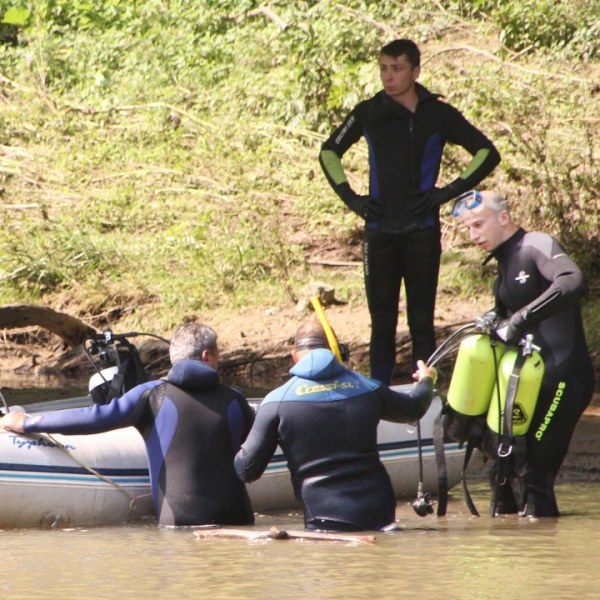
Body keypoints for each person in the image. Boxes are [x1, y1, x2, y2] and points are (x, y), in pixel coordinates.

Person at [319, 38, 500, 385]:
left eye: (397, 69)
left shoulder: (437, 113)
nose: (388, 76)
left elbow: (486, 152)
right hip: (379, 231)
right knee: (382, 322)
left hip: (422, 230)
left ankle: (425, 393)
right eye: (384, 69)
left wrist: (445, 193)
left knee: (421, 321)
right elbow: (329, 152)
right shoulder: (368, 112)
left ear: (415, 71)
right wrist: (351, 199)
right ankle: (380, 394)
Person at [0, 322, 255, 527]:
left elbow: (94, 418)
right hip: (239, 521)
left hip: (180, 527)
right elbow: (259, 444)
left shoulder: (152, 395)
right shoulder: (236, 401)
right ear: (207, 356)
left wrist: (29, 422)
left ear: (174, 358)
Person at [452, 190, 595, 517]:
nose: (474, 235)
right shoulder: (503, 265)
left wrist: (518, 319)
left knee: (533, 474)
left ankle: (543, 556)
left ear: (503, 217)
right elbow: (514, 321)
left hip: (563, 377)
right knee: (503, 471)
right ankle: (511, 556)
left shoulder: (536, 244)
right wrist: (497, 319)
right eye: (468, 229)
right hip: (529, 379)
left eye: (478, 224)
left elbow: (573, 281)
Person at [234, 320, 437, 532]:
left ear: (294, 356)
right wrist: (426, 380)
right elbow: (414, 408)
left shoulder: (276, 402)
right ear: (332, 350)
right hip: (380, 510)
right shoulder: (368, 388)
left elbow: (246, 470)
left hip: (324, 518)